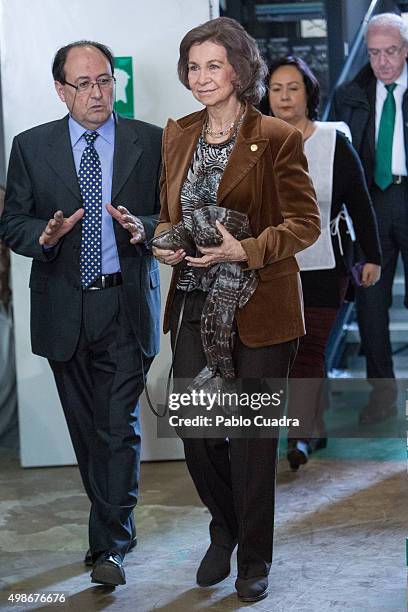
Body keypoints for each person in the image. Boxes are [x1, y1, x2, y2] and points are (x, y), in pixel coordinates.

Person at [153, 17, 320, 603]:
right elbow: (169, 213)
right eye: (193, 66)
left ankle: (253, 559)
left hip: (261, 306)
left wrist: (244, 250)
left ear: (241, 70)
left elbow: (305, 224)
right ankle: (223, 527)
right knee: (198, 434)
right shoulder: (177, 134)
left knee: (251, 442)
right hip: (197, 304)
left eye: (213, 65)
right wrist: (160, 237)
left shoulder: (275, 136)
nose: (201, 78)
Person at [0, 41, 162, 587]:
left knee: (119, 429)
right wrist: (42, 236)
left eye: (104, 81)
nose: (97, 93)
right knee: (89, 433)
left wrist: (143, 225)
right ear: (61, 90)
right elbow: (12, 221)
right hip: (63, 306)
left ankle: (109, 547)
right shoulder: (30, 146)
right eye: (84, 84)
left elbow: (174, 213)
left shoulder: (152, 141)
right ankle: (117, 524)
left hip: (124, 302)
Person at [267, 56, 382, 470]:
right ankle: (309, 428)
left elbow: (361, 203)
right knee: (286, 354)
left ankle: (299, 435)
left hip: (322, 262)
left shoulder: (333, 141)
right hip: (271, 265)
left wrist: (373, 256)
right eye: (276, 88)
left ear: (308, 94)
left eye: (292, 87)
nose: (283, 96)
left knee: (311, 350)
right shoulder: (257, 141)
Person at [333, 13, 408, 424]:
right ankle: (382, 396)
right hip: (372, 203)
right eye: (375, 53)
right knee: (371, 304)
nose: (382, 62)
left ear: (406, 49)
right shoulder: (352, 92)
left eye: (391, 52)